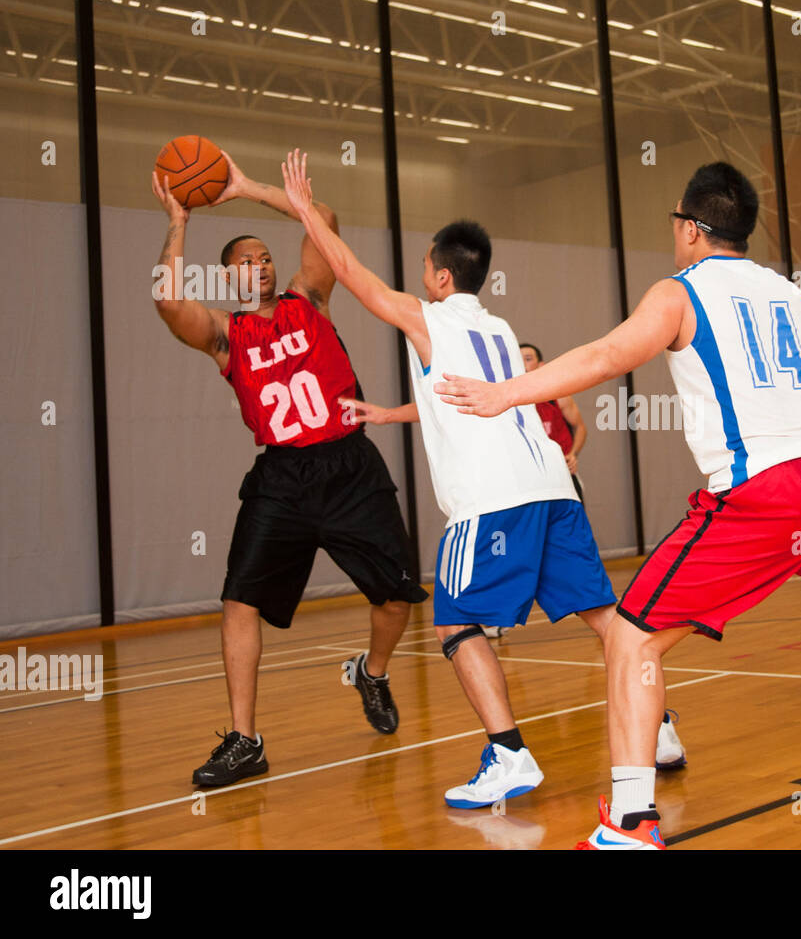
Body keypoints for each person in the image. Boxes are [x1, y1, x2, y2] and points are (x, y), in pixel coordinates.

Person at [436, 162, 801, 849]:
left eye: (675, 220)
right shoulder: (789, 294)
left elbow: (609, 354)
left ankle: (631, 819)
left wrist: (507, 394)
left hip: (766, 491)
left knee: (632, 636)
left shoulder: (680, 294)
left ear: (692, 229)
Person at [280, 151, 684, 808]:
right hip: (553, 489)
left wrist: (304, 210)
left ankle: (509, 755)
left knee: (453, 621)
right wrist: (390, 411)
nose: (418, 279)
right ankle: (659, 728)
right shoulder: (499, 329)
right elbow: (459, 400)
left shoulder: (430, 319)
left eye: (423, 269)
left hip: (493, 501)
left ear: (440, 276)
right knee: (607, 617)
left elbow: (352, 276)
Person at [150, 153, 427, 788]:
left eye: (265, 256)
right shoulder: (226, 335)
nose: (263, 264)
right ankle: (245, 740)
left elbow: (321, 217)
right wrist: (178, 219)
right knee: (239, 600)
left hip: (350, 464)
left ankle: (372, 673)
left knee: (396, 596)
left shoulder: (312, 298)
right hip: (283, 479)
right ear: (228, 280)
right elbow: (168, 301)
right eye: (247, 261)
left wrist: (245, 186)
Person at [519, 343, 588, 502]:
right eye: (519, 359)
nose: (523, 364)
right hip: (531, 480)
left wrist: (573, 454)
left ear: (541, 365)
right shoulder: (509, 402)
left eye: (528, 359)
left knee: (571, 524)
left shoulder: (558, 395)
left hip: (563, 473)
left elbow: (580, 427)